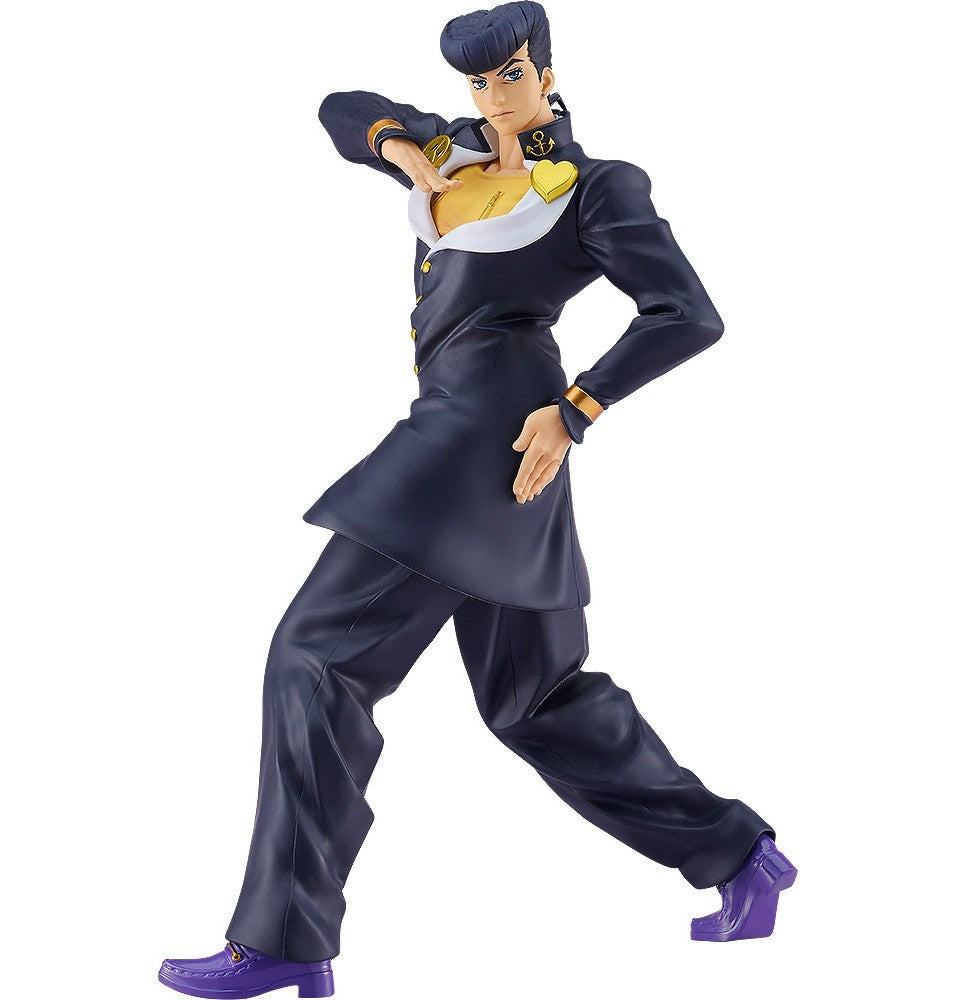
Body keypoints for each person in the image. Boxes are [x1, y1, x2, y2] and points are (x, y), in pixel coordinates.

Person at [158, 3, 796, 997]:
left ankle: (286, 937)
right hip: (484, 450)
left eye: (510, 76)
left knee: (314, 656)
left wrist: (578, 407)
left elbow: (686, 313)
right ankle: (738, 855)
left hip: (479, 440)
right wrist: (400, 149)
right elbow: (339, 107)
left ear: (546, 75)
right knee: (536, 699)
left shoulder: (592, 187)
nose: (493, 96)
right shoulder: (446, 154)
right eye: (477, 81)